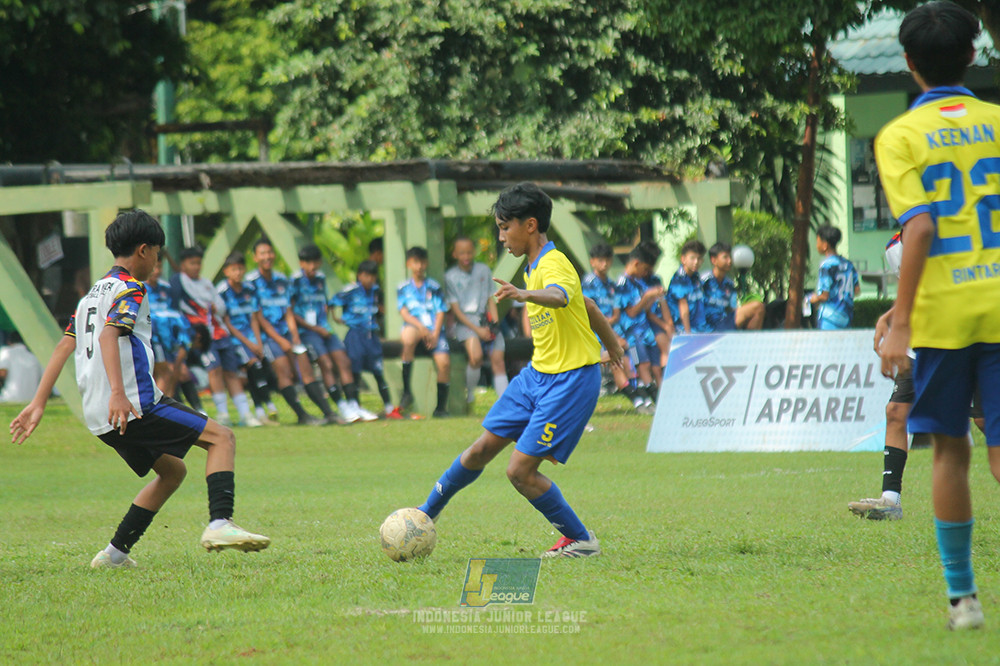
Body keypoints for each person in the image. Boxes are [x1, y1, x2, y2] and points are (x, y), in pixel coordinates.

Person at [9, 209, 269, 568]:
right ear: (144, 250)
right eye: (159, 254)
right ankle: (219, 522)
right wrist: (119, 391)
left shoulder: (90, 296)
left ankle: (115, 554)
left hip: (99, 416)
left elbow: (63, 346)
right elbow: (109, 335)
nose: (158, 263)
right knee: (222, 438)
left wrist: (38, 403)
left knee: (173, 471)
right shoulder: (132, 289)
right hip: (133, 403)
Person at [414, 182, 624, 557]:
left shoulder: (553, 263)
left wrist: (525, 295)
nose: (501, 236)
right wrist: (613, 346)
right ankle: (423, 516)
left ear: (530, 225)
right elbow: (588, 305)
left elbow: (561, 297)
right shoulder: (533, 265)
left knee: (519, 472)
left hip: (570, 380)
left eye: (504, 227)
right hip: (535, 377)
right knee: (480, 449)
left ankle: (581, 540)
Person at [875, 1, 1000, 630]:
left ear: (909, 62)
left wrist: (901, 321)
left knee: (951, 453)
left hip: (947, 317)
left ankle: (964, 601)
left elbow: (918, 228)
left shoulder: (899, 137)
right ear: (974, 55)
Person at [247, 237, 340, 426]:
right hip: (269, 337)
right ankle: (302, 415)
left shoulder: (282, 279)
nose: (267, 256)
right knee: (285, 373)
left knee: (306, 370)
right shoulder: (251, 282)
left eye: (270, 252)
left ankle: (329, 413)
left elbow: (289, 310)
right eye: (263, 253)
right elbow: (258, 317)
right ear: (255, 257)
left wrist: (294, 334)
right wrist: (279, 340)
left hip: (288, 333)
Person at [169, 246, 259, 427]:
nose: (196, 267)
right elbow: (177, 302)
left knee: (231, 372)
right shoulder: (179, 282)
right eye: (191, 263)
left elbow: (221, 306)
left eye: (198, 263)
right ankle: (223, 414)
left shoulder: (206, 283)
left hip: (221, 333)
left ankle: (245, 414)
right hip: (204, 337)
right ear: (183, 265)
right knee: (214, 370)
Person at [290, 245, 378, 423]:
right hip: (307, 331)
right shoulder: (295, 281)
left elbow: (326, 303)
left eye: (316, 262)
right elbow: (290, 311)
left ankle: (354, 404)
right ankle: (341, 406)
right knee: (326, 364)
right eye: (308, 262)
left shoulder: (321, 278)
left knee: (344, 361)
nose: (313, 266)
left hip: (324, 329)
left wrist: (333, 319)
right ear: (301, 263)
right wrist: (313, 329)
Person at [329, 260, 403, 419]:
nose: (370, 279)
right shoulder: (351, 290)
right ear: (360, 275)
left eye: (373, 276)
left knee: (378, 371)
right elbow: (332, 303)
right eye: (366, 275)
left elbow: (381, 308)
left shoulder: (376, 291)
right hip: (355, 334)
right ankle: (355, 406)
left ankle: (390, 407)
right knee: (354, 371)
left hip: (371, 334)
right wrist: (338, 319)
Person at [216, 252, 280, 426]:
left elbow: (253, 318)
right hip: (236, 340)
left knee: (263, 365)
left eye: (240, 268)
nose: (238, 272)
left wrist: (258, 342)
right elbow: (227, 323)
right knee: (254, 366)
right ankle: (264, 407)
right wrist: (250, 343)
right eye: (233, 269)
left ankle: (262, 408)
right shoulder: (222, 292)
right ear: (226, 271)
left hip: (252, 338)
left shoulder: (249, 289)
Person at [445, 236, 509, 405]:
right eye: (461, 253)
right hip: (466, 322)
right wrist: (477, 329)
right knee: (476, 357)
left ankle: (505, 402)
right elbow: (456, 310)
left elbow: (491, 299)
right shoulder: (450, 277)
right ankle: (470, 392)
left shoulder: (484, 270)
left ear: (473, 252)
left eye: (468, 252)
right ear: (455, 255)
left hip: (485, 319)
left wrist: (494, 325)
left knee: (498, 360)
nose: (466, 256)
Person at [582, 242, 639, 407]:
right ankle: (636, 397)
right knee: (616, 357)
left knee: (633, 351)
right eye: (600, 260)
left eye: (607, 260)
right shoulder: (588, 283)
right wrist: (607, 324)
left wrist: (611, 323)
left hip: (613, 330)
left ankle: (639, 389)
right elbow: (588, 314)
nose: (604, 264)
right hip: (594, 333)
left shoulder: (611, 285)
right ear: (592, 261)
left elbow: (616, 314)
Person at [397, 246, 451, 417]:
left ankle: (440, 408)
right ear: (409, 264)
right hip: (415, 326)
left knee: (444, 363)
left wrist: (435, 333)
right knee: (408, 337)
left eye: (421, 262)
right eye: (415, 262)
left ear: (426, 263)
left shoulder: (434, 287)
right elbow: (404, 312)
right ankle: (407, 392)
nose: (419, 266)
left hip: (434, 329)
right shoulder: (403, 288)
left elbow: (441, 311)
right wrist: (421, 327)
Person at [615, 245, 662, 413]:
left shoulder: (638, 283)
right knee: (640, 364)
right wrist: (647, 297)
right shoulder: (623, 283)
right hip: (631, 336)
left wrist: (654, 297)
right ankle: (646, 398)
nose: (647, 273)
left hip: (644, 333)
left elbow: (644, 310)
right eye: (646, 269)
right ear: (636, 263)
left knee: (648, 365)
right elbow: (632, 312)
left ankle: (647, 399)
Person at [702, 242, 766, 331]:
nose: (729, 261)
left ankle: (750, 342)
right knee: (757, 306)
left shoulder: (729, 284)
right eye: (725, 257)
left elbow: (732, 308)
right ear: (714, 260)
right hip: (708, 327)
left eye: (730, 257)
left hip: (724, 322)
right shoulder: (704, 281)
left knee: (758, 308)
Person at [808, 225, 860, 330]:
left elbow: (824, 296)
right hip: (846, 316)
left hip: (829, 318)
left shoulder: (826, 266)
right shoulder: (848, 265)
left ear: (825, 245)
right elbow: (857, 290)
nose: (816, 245)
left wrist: (814, 298)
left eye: (818, 241)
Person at [666, 240, 710, 335]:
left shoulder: (696, 277)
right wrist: (688, 334)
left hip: (701, 328)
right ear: (683, 259)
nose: (696, 262)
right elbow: (683, 307)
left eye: (699, 259)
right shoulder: (679, 279)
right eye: (692, 258)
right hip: (682, 329)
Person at [0, 331, 42, 403]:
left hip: (9, 398)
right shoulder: (34, 357)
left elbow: (2, 373)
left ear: (9, 342)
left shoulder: (7, 352)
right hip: (32, 399)